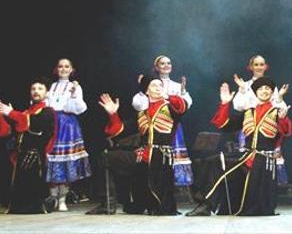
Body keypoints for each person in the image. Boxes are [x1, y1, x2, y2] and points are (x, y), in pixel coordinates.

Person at [186, 77, 292, 216]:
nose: (264, 91)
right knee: (212, 162)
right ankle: (205, 204)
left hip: (262, 161)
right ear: (255, 93)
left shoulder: (277, 112)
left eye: (268, 89)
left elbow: (285, 132)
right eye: (260, 88)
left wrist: (283, 118)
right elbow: (224, 124)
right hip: (246, 157)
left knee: (250, 200)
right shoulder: (248, 112)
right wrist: (225, 104)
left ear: (272, 93)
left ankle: (206, 205)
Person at [101, 78, 188, 215]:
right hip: (144, 153)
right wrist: (113, 114)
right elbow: (120, 131)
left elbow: (182, 107)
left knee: (160, 191)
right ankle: (115, 203)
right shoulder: (141, 112)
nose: (158, 87)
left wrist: (168, 96)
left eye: (161, 85)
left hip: (161, 154)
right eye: (154, 85)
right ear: (147, 91)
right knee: (115, 162)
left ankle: (158, 207)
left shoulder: (170, 106)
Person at [0, 78, 56, 214]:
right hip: (19, 154)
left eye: (40, 89)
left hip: (35, 154)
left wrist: (11, 113)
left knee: (32, 181)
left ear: (46, 93)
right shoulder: (25, 112)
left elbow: (35, 125)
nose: (36, 92)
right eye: (33, 89)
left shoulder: (48, 111)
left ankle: (39, 204)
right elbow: (4, 132)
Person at [133, 55, 194, 187]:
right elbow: (140, 106)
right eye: (162, 63)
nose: (166, 65)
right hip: (154, 125)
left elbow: (185, 106)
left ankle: (177, 186)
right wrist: (143, 89)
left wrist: (182, 92)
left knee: (172, 157)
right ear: (156, 67)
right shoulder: (150, 83)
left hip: (171, 125)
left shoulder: (176, 85)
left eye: (168, 63)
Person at [231, 55, 288, 182]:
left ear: (266, 67)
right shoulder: (245, 85)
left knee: (267, 166)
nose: (259, 67)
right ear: (250, 67)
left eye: (261, 64)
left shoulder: (271, 86)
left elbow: (279, 108)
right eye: (256, 64)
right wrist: (242, 89)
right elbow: (238, 106)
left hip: (267, 128)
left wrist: (279, 98)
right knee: (248, 164)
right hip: (251, 127)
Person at [44, 58, 91, 211]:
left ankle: (63, 198)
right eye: (60, 66)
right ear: (56, 69)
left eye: (66, 66)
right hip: (53, 124)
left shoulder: (75, 87)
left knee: (65, 163)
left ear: (72, 70)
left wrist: (73, 95)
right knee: (52, 161)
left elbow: (78, 108)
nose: (63, 69)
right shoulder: (51, 87)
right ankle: (53, 197)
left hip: (68, 125)